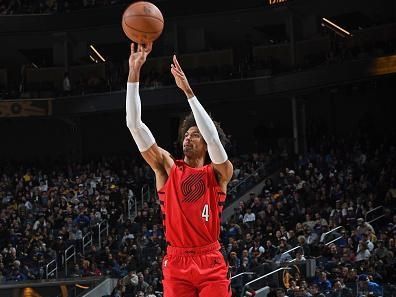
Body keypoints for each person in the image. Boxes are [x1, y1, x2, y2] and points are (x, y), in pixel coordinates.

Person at [126, 42, 233, 297]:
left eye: (195, 134)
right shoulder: (167, 167)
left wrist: (188, 92)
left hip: (210, 259)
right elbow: (135, 125)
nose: (188, 137)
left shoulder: (219, 173)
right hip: (176, 260)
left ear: (205, 144)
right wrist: (134, 73)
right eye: (186, 134)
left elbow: (215, 140)